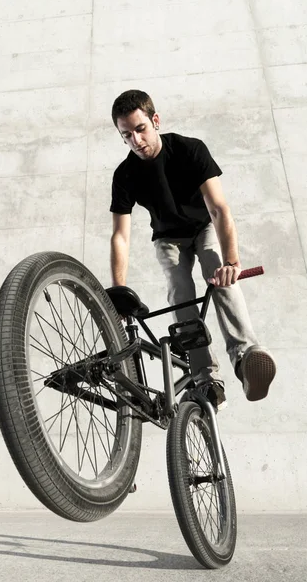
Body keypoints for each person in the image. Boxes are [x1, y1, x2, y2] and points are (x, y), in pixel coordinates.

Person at [109, 89, 276, 410]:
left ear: (155, 120)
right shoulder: (125, 174)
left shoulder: (189, 150)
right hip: (167, 238)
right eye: (126, 135)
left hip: (204, 228)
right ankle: (206, 378)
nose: (136, 140)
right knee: (178, 289)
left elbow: (219, 209)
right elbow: (120, 236)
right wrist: (118, 290)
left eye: (140, 129)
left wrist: (232, 261)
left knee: (219, 274)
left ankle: (246, 357)